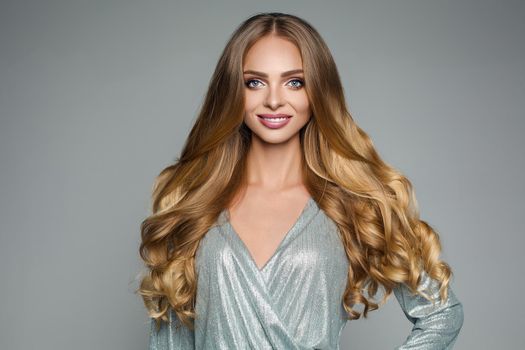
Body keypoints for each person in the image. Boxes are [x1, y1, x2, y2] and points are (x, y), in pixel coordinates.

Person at [137, 12, 464, 350]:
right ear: (233, 92)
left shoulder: (353, 204)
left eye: (295, 82)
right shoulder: (196, 205)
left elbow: (442, 315)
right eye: (255, 82)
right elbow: (169, 341)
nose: (274, 100)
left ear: (318, 91)